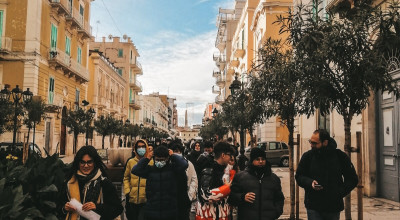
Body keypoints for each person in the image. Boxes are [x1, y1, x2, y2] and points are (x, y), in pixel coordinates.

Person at [296, 129, 358, 220]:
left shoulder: (340, 156)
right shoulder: (307, 156)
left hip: (333, 206)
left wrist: (339, 192)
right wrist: (310, 182)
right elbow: (299, 176)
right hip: (313, 205)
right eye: (310, 142)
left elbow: (352, 179)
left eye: (314, 143)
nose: (311, 145)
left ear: (325, 142)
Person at [60, 145, 123, 220]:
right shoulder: (69, 182)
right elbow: (59, 206)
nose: (86, 166)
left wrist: (97, 207)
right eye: (82, 162)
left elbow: (117, 208)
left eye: (89, 162)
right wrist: (64, 208)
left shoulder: (104, 183)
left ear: (94, 163)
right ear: (78, 163)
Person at [132, 145, 188, 220]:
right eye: (157, 160)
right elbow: (135, 170)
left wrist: (173, 155)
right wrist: (147, 158)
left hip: (170, 210)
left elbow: (184, 164)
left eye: (162, 160)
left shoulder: (172, 169)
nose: (159, 162)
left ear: (167, 159)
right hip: (152, 209)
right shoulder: (150, 170)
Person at [229, 147, 284, 220]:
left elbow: (279, 199)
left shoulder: (274, 179)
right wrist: (242, 197)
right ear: (252, 160)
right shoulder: (240, 177)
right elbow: (231, 198)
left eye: (263, 159)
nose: (261, 161)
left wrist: (276, 212)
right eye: (257, 159)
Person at [196, 141, 235, 220]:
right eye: (229, 155)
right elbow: (206, 195)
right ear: (223, 155)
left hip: (220, 215)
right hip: (209, 216)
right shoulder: (209, 170)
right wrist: (227, 188)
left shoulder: (223, 170)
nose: (230, 158)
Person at [123, 140, 153, 220]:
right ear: (135, 149)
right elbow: (126, 177)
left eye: (143, 146)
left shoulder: (151, 162)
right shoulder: (130, 161)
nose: (141, 148)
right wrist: (127, 191)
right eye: (139, 147)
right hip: (132, 199)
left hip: (145, 200)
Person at [170, 140, 198, 220]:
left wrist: (190, 195)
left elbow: (194, 179)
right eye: (174, 151)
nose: (176, 153)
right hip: (171, 200)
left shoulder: (188, 163)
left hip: (184, 199)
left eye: (177, 151)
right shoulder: (169, 164)